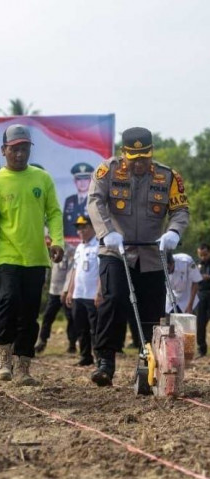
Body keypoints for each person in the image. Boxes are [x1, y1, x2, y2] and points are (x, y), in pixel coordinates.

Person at [87, 127, 190, 386]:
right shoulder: (107, 171)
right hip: (116, 251)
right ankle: (105, 362)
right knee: (115, 299)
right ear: (124, 155)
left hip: (152, 253)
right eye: (135, 159)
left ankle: (148, 363)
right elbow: (94, 201)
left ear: (151, 153)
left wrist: (174, 233)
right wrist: (107, 232)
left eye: (145, 158)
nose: (140, 164)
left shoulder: (168, 177)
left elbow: (180, 210)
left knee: (151, 311)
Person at [0, 124, 64, 386]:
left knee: (29, 312)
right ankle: (3, 357)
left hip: (36, 257)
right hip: (6, 256)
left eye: (25, 149)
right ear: (3, 150)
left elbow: (54, 213)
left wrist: (58, 241)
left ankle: (23, 365)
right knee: (8, 301)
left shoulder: (42, 178)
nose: (20, 154)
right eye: (14, 149)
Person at [65, 215, 100, 366]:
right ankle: (85, 356)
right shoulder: (79, 247)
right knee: (81, 328)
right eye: (78, 228)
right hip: (78, 294)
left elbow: (102, 272)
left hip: (92, 295)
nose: (80, 231)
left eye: (84, 227)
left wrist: (99, 292)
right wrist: (70, 290)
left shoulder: (98, 246)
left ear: (92, 228)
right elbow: (74, 270)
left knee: (96, 329)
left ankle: (100, 358)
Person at [35, 240, 76, 354]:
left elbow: (71, 271)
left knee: (71, 318)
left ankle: (72, 344)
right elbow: (46, 265)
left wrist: (66, 290)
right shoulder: (50, 249)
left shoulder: (70, 250)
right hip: (54, 291)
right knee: (47, 316)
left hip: (66, 291)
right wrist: (43, 281)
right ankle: (42, 342)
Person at [63, 163, 94, 238]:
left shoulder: (95, 200)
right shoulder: (69, 200)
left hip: (90, 244)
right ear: (75, 181)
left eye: (86, 179)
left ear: (90, 180)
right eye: (79, 179)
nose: (82, 182)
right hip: (69, 245)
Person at [196, 243, 210, 357]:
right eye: (201, 255)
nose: (203, 257)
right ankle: (202, 348)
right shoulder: (198, 265)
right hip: (201, 294)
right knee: (200, 323)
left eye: (205, 255)